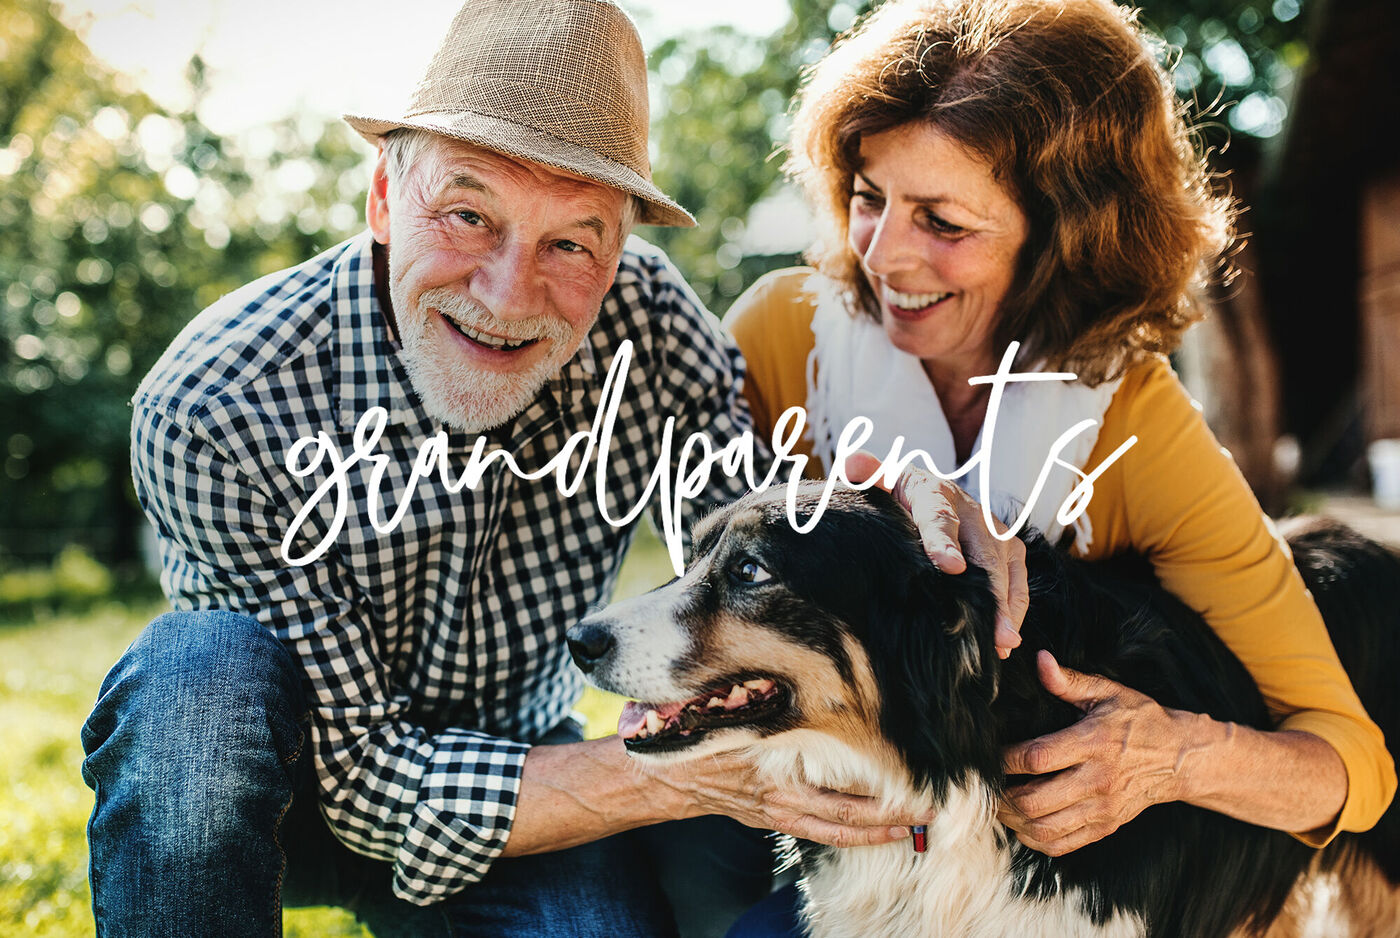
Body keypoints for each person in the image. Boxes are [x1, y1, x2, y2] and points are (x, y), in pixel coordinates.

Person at [80, 2, 1018, 936]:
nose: (506, 291)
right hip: (274, 791)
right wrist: (685, 776)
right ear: (381, 200)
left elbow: (748, 531)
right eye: (467, 214)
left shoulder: (646, 322)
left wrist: (883, 507)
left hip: (524, 784)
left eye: (570, 240)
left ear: (618, 254)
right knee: (194, 681)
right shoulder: (217, 402)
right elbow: (363, 783)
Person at [725, 0, 1395, 931]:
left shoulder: (1135, 424)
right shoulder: (777, 336)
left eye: (944, 222)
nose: (884, 253)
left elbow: (1350, 769)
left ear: (1062, 237)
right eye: (870, 195)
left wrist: (1167, 757)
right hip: (808, 847)